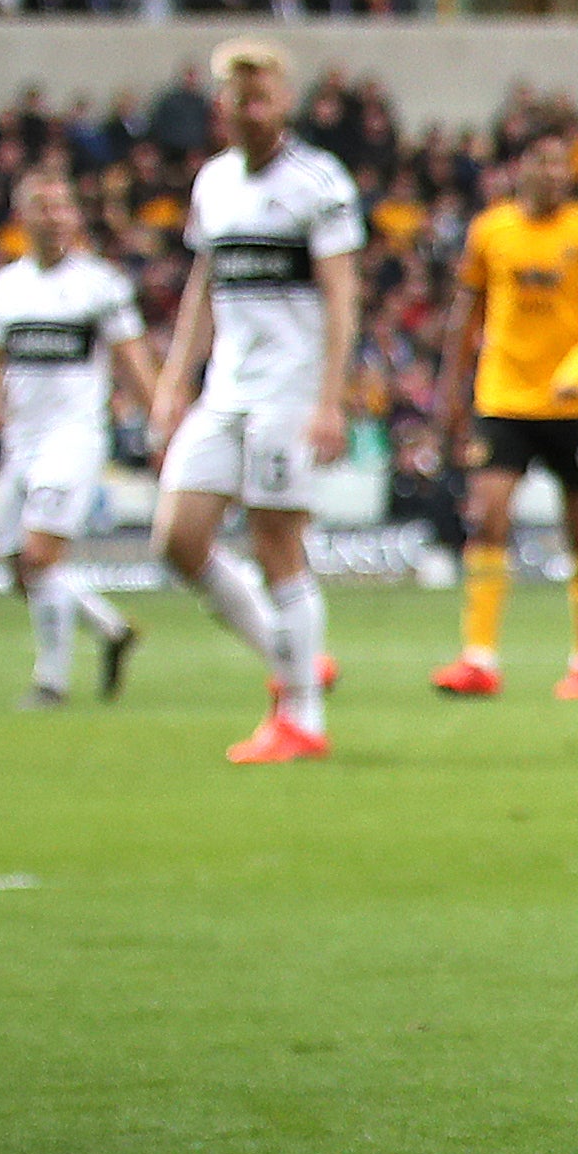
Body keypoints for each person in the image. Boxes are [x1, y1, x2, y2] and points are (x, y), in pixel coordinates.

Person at [148, 37, 359, 765]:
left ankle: (301, 716)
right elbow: (205, 284)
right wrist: (176, 378)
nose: (249, 102)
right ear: (221, 105)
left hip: (289, 389)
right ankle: (290, 652)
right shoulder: (213, 183)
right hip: (226, 388)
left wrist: (331, 399)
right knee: (177, 539)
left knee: (276, 542)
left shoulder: (318, 180)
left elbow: (341, 292)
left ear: (286, 99)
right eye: (237, 92)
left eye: (262, 89)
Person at [431, 132, 578, 701]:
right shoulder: (490, 230)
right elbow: (466, 312)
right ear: (520, 167)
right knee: (489, 515)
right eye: (542, 161)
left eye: (561, 162)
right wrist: (451, 389)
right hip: (505, 397)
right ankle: (479, 657)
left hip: (570, 401)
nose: (553, 172)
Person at [0, 163, 149, 706]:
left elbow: (131, 359)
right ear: (24, 216)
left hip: (75, 437)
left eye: (65, 207)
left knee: (40, 557)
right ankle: (111, 629)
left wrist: (161, 417)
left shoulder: (99, 285)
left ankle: (50, 683)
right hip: (22, 441)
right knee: (19, 571)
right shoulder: (5, 287)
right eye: (46, 207)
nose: (58, 218)